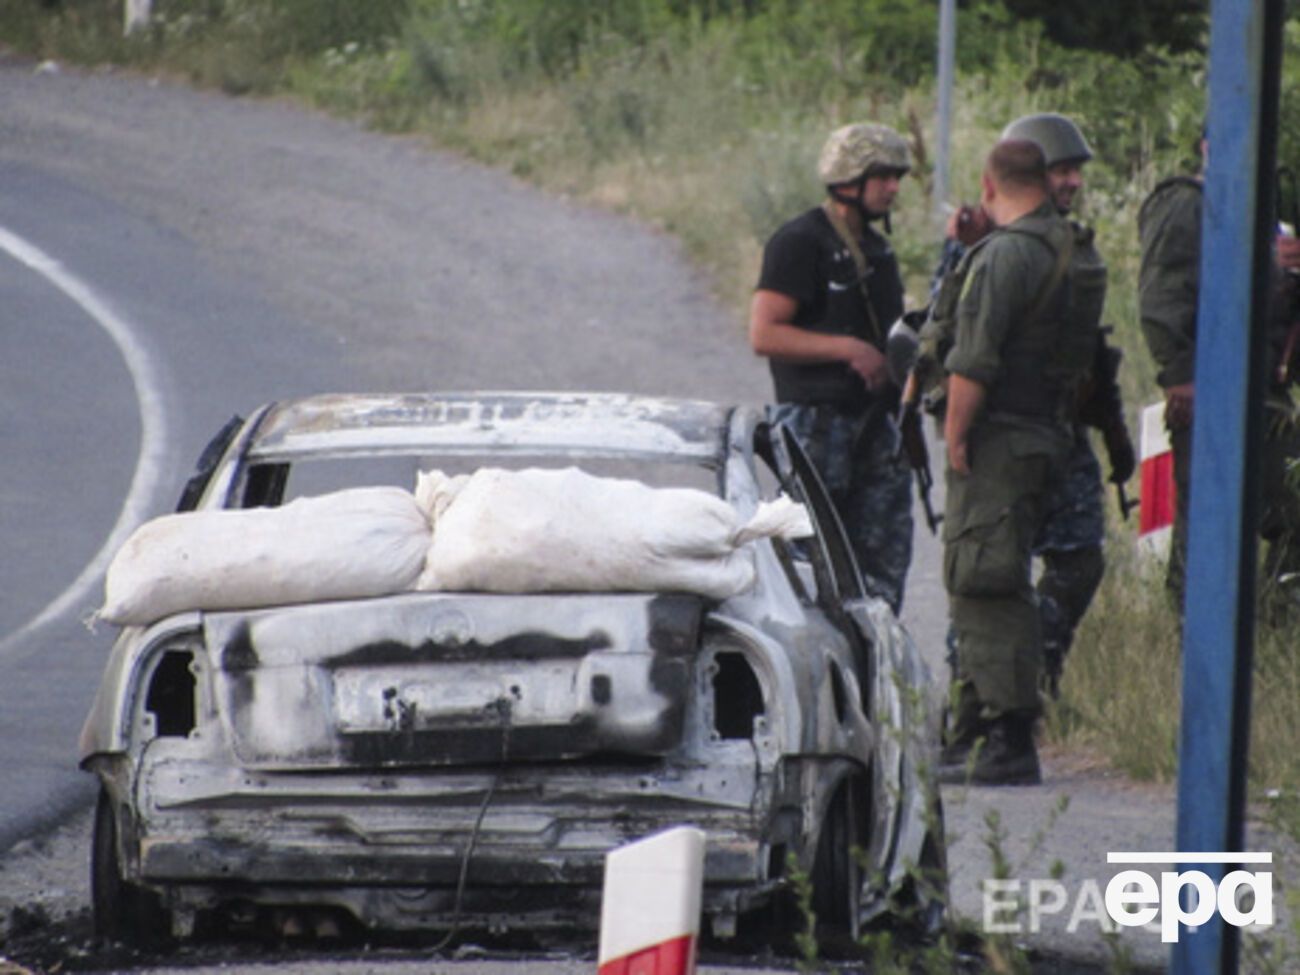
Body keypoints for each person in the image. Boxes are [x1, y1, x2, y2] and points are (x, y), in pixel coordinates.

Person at [926, 113, 1134, 698]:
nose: (1072, 182)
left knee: (1079, 560)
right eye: (1060, 170)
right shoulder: (995, 244)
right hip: (1007, 432)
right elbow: (952, 336)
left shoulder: (1072, 246)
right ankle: (983, 692)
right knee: (990, 569)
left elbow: (1090, 353)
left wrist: (1115, 434)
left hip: (1061, 431)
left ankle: (1031, 677)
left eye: (1075, 172)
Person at [750, 122, 914, 614]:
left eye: (896, 177)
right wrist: (848, 349)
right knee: (806, 566)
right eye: (882, 176)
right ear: (849, 178)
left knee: (881, 571)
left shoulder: (878, 251)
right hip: (815, 428)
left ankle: (875, 677)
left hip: (876, 429)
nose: (893, 188)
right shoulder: (801, 241)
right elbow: (765, 333)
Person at [1139, 137, 1300, 607]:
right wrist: (1179, 377)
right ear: (1210, 145)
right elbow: (1162, 298)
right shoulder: (1186, 205)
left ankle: (1266, 628)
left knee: (1249, 520)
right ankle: (1201, 648)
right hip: (1213, 394)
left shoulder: (1258, 215)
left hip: (1263, 394)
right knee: (1210, 532)